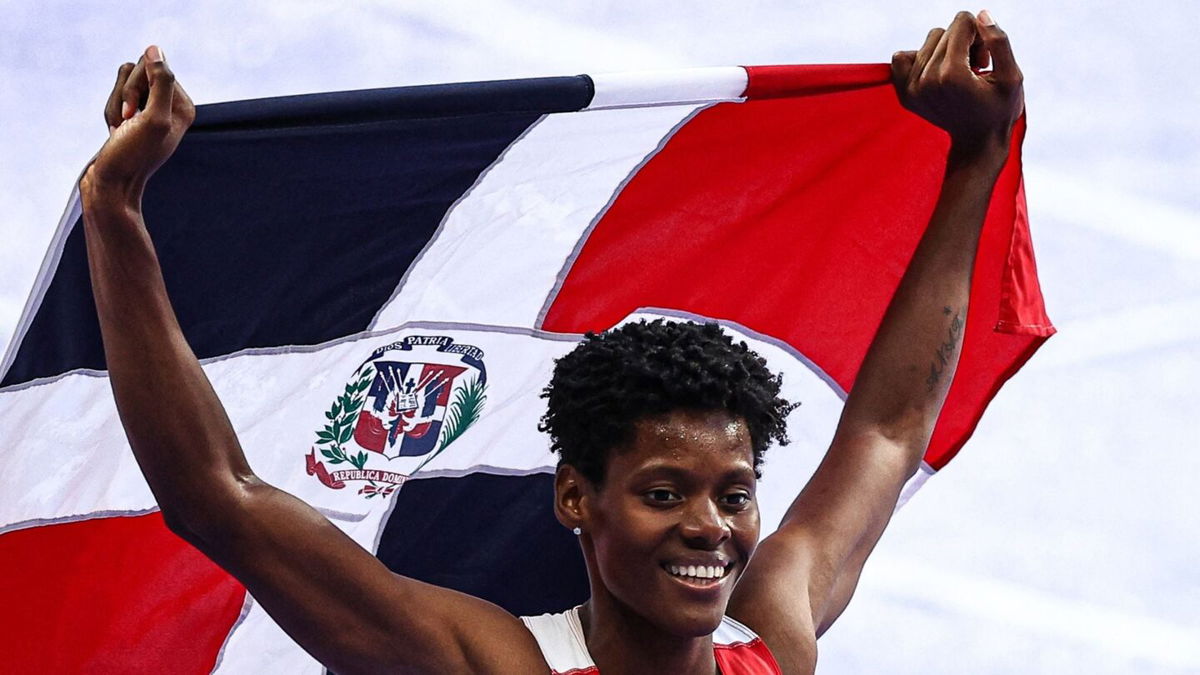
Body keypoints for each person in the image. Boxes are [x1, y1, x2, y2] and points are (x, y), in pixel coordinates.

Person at [79, 9, 1023, 674]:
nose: (710, 526)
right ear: (577, 495)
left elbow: (888, 432)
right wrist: (117, 212)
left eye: (734, 494)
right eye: (665, 492)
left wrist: (976, 156)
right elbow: (219, 496)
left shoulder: (769, 636)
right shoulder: (488, 660)